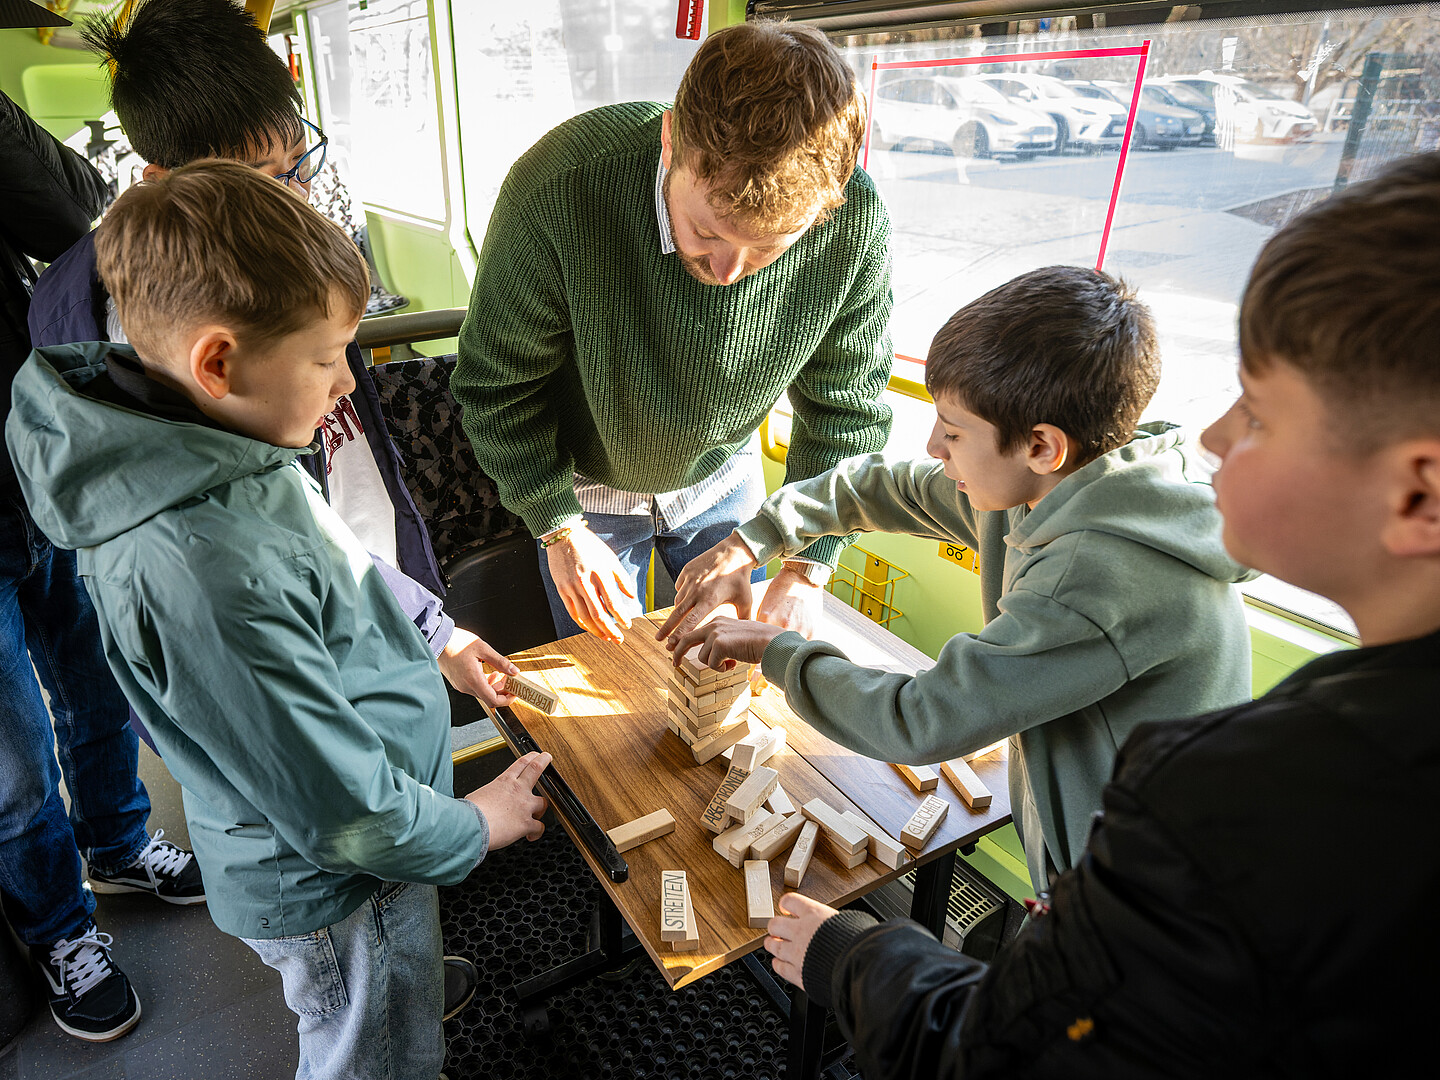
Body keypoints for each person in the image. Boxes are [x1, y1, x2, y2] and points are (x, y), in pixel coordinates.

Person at [761, 152, 1440, 1079]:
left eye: (1263, 413)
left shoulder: (1196, 742)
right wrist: (775, 526)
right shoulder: (1066, 488)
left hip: (1088, 887)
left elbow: (1024, 1044)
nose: (1213, 438)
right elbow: (905, 487)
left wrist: (777, 651)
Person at [8, 160, 553, 1080]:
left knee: (386, 992)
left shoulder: (211, 443)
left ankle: (399, 993)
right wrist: (476, 824)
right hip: (342, 880)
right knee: (366, 1050)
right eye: (326, 356)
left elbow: (332, 553)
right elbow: (337, 810)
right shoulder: (198, 570)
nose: (348, 383)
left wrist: (438, 635)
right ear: (218, 362)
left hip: (374, 847)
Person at [663, 265, 1253, 893]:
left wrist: (770, 649)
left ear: (1041, 446)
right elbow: (881, 486)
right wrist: (749, 542)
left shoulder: (1095, 577)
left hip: (1153, 893)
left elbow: (919, 721)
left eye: (952, 432)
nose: (934, 447)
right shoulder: (1046, 485)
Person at [28, 0, 519, 718]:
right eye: (267, 177)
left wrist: (426, 627)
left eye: (300, 162)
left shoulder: (277, 245)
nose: (302, 196)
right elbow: (279, 528)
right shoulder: (116, 343)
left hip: (364, 566)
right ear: (166, 180)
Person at [453, 19, 895, 646]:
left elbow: (844, 412)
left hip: (728, 481)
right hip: (585, 493)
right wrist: (557, 526)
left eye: (768, 249)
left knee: (729, 675)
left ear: (829, 205)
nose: (727, 273)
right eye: (707, 231)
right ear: (669, 141)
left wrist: (806, 566)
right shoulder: (558, 189)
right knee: (606, 677)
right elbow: (496, 388)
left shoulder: (854, 224)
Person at [2, 30, 200, 1039]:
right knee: (12, 756)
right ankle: (58, 929)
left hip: (32, 459)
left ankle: (117, 843)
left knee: (91, 674)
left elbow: (72, 205)